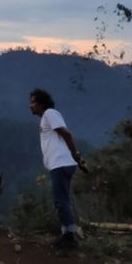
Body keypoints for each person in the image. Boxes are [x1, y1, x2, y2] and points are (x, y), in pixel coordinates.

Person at [29, 88, 87, 250]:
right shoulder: (46, 117)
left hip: (60, 163)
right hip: (60, 163)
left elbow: (66, 134)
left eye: (33, 102)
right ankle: (68, 234)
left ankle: (69, 237)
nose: (30, 105)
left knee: (60, 201)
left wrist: (75, 154)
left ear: (41, 103)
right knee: (62, 200)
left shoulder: (50, 114)